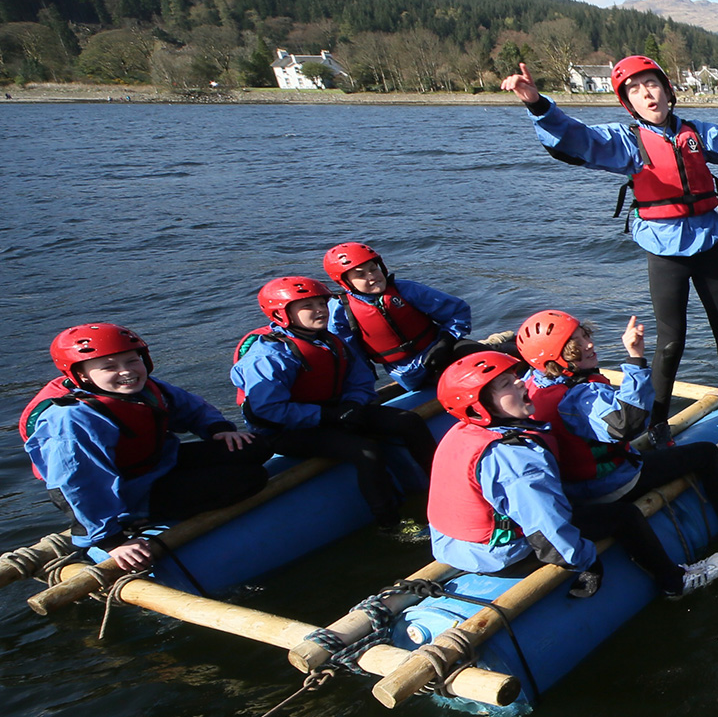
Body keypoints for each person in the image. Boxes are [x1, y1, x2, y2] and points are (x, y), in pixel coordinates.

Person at [500, 55, 718, 422]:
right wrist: (537, 104)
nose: (647, 94)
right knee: (672, 338)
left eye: (652, 84)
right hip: (664, 250)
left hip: (707, 240)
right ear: (628, 103)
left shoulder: (695, 133)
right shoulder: (626, 142)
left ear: (667, 90)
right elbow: (576, 138)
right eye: (635, 89)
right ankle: (657, 419)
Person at [427, 351, 718, 599]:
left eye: (516, 376)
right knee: (625, 516)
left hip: (452, 549)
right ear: (480, 406)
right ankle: (675, 582)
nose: (520, 383)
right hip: (502, 554)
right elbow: (547, 532)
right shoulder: (517, 458)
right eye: (506, 384)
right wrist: (586, 560)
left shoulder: (461, 432)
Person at [19, 324, 270, 571]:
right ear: (82, 375)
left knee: (256, 447)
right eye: (109, 367)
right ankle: (137, 517)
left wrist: (218, 429)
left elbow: (188, 407)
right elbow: (78, 484)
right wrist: (111, 541)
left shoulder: (145, 388)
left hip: (158, 464)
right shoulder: (71, 419)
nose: (126, 372)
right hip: (127, 491)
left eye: (131, 361)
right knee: (250, 479)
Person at [514, 309, 718, 536]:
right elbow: (628, 424)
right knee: (706, 453)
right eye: (575, 345)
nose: (589, 344)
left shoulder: (532, 382)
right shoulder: (578, 398)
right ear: (554, 359)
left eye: (585, 335)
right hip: (608, 486)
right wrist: (635, 359)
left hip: (573, 488)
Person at [230, 275, 436, 535]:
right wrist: (326, 416)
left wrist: (352, 405)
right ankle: (390, 525)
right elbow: (268, 410)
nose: (319, 310)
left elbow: (360, 381)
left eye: (321, 303)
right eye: (308, 306)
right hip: (286, 430)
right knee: (366, 451)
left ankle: (445, 487)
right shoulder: (269, 357)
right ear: (281, 313)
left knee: (409, 421)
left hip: (336, 411)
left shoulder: (330, 340)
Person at [323, 241, 480, 391]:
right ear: (344, 282)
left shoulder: (406, 289)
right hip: (408, 372)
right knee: (459, 382)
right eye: (361, 275)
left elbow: (457, 311)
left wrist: (446, 342)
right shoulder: (339, 312)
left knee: (483, 357)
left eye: (373, 269)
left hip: (442, 349)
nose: (372, 277)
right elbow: (349, 356)